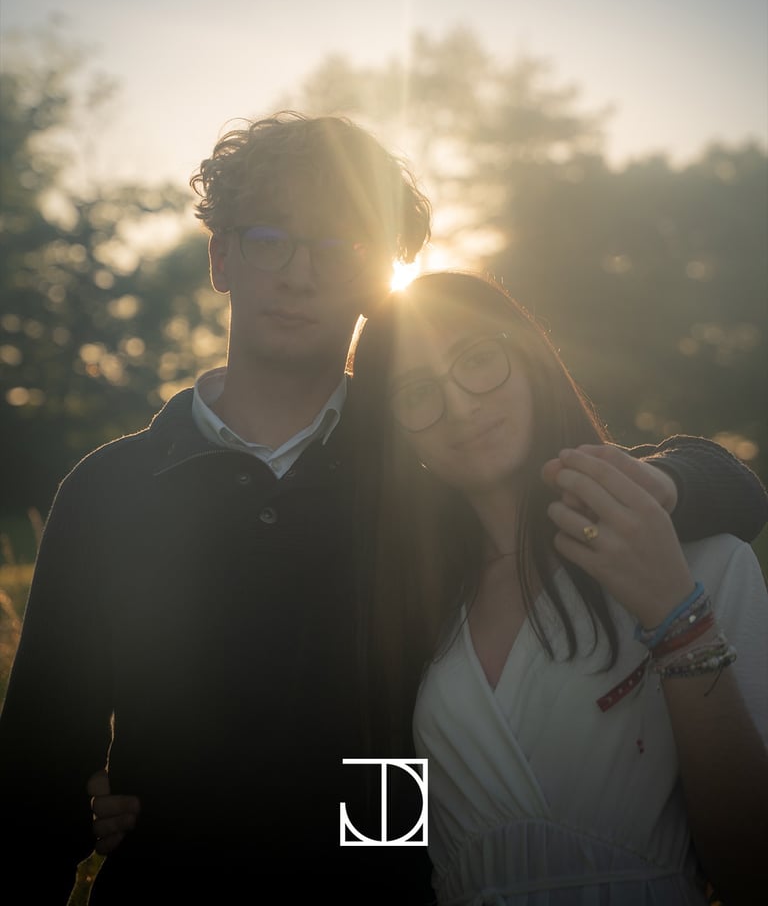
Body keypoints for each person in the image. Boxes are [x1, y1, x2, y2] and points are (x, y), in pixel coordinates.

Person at [1, 115, 766, 904]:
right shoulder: (111, 490)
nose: (301, 274)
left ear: (380, 277)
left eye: (340, 246)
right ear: (221, 258)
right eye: (270, 239)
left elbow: (727, 487)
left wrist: (664, 483)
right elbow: (37, 781)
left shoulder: (424, 472)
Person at [346, 269, 768, 905]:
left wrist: (677, 620)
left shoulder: (699, 561)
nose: (459, 404)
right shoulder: (402, 613)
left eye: (477, 360)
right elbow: (382, 842)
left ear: (530, 359)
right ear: (397, 433)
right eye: (416, 392)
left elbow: (754, 870)